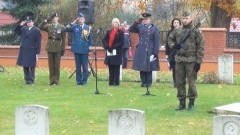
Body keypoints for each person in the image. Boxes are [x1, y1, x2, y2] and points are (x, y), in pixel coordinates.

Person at [168, 11, 205, 111]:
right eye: (183, 18)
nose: (184, 20)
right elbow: (170, 39)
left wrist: (198, 62)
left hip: (191, 61)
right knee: (179, 82)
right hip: (179, 60)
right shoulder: (177, 30)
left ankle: (191, 103)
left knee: (191, 82)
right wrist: (174, 45)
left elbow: (201, 47)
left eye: (187, 18)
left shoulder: (196, 31)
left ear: (191, 19)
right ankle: (181, 103)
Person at [129, 12, 160, 87]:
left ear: (150, 19)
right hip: (141, 49)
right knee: (141, 67)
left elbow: (157, 41)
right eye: (144, 19)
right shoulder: (140, 27)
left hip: (150, 50)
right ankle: (143, 82)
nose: (145, 20)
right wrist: (138, 21)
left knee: (149, 67)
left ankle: (148, 83)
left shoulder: (154, 28)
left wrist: (155, 53)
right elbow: (131, 29)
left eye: (146, 19)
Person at [65, 13, 93, 85]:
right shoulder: (75, 27)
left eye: (82, 19)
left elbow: (90, 39)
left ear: (84, 19)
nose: (80, 20)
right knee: (78, 66)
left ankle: (84, 81)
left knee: (84, 66)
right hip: (77, 49)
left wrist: (89, 49)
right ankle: (78, 81)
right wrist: (73, 22)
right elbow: (66, 29)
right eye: (79, 19)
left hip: (84, 49)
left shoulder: (88, 28)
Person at [39, 13, 66, 85]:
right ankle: (51, 80)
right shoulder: (49, 26)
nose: (54, 19)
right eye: (53, 18)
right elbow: (40, 26)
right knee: (51, 65)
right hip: (50, 47)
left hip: (58, 47)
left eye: (56, 17)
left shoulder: (62, 27)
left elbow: (63, 39)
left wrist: (63, 49)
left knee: (57, 65)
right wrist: (47, 20)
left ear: (58, 18)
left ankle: (56, 80)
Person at [14, 16, 42, 85]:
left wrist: (37, 52)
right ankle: (27, 80)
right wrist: (20, 25)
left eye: (30, 22)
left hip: (32, 50)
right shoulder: (23, 29)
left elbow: (38, 42)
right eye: (27, 22)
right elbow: (16, 31)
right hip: (24, 49)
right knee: (25, 65)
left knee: (32, 66)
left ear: (33, 22)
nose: (28, 23)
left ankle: (32, 80)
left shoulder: (36, 30)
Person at [102, 18, 124, 86]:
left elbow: (121, 42)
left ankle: (116, 82)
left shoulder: (120, 32)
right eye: (114, 22)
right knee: (111, 67)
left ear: (118, 23)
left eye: (116, 22)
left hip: (117, 52)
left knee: (116, 68)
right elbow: (104, 40)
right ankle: (111, 82)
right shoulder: (109, 31)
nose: (115, 24)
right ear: (112, 23)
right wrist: (107, 47)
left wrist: (113, 47)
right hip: (110, 52)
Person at [165, 18, 181, 88]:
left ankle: (180, 83)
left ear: (180, 23)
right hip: (172, 53)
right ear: (173, 23)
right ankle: (175, 83)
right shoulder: (170, 32)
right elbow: (167, 43)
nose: (176, 23)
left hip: (181, 52)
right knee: (174, 68)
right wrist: (166, 53)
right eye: (175, 22)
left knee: (180, 69)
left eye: (177, 22)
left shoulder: (183, 31)